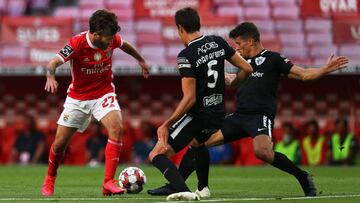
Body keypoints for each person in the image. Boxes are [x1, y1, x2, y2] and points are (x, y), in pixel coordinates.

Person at [150, 22, 348, 198]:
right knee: (197, 142)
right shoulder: (242, 64)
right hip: (238, 116)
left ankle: (303, 176)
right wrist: (221, 79)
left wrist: (324, 69)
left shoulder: (273, 59)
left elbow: (304, 75)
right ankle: (177, 186)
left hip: (259, 117)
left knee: (263, 152)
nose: (237, 47)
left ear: (251, 41)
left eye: (239, 43)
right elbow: (229, 80)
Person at [40, 9, 150, 196]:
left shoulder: (112, 39)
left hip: (103, 93)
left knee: (117, 127)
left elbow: (125, 45)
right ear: (95, 34)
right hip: (78, 98)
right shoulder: (77, 43)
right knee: (59, 144)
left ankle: (108, 182)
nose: (111, 41)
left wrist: (141, 61)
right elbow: (52, 64)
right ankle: (50, 178)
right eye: (108, 38)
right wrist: (50, 77)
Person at [147, 7, 252, 201]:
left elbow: (190, 99)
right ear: (198, 24)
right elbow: (247, 68)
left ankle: (181, 189)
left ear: (180, 28)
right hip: (218, 112)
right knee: (197, 144)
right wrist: (231, 82)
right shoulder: (218, 42)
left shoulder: (186, 55)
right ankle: (203, 188)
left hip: (198, 115)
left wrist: (166, 123)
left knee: (156, 154)